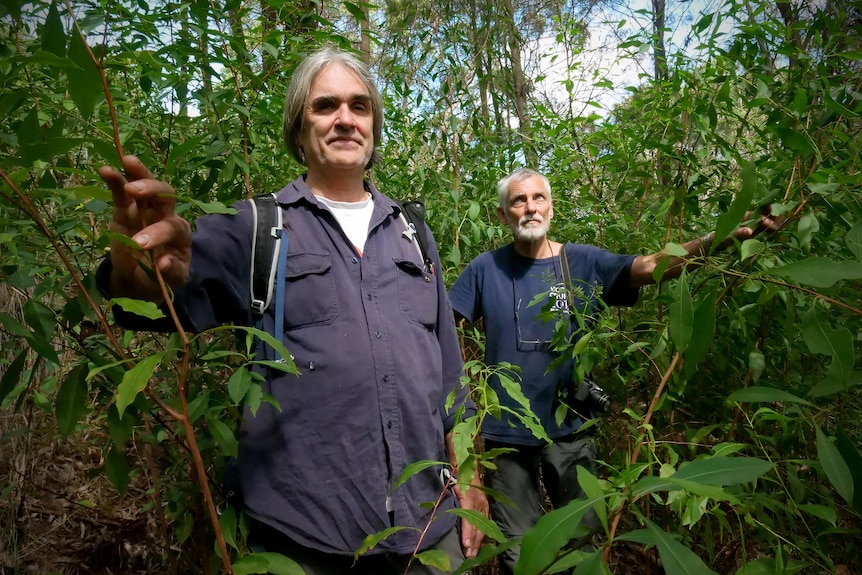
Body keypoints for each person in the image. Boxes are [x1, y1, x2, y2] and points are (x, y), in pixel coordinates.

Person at [96, 47, 487, 574]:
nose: (345, 118)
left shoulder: (413, 232)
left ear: (374, 125)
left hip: (427, 528)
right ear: (298, 130)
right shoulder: (258, 227)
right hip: (305, 537)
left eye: (359, 106)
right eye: (325, 106)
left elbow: (447, 370)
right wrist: (135, 271)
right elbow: (156, 294)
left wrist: (471, 476)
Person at [447, 168, 779, 573]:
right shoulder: (485, 269)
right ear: (502, 214)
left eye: (538, 198)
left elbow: (654, 265)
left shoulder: (582, 262)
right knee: (519, 552)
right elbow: (444, 336)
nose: (530, 207)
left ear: (551, 207)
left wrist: (722, 238)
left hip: (571, 428)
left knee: (581, 543)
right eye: (519, 200)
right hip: (508, 435)